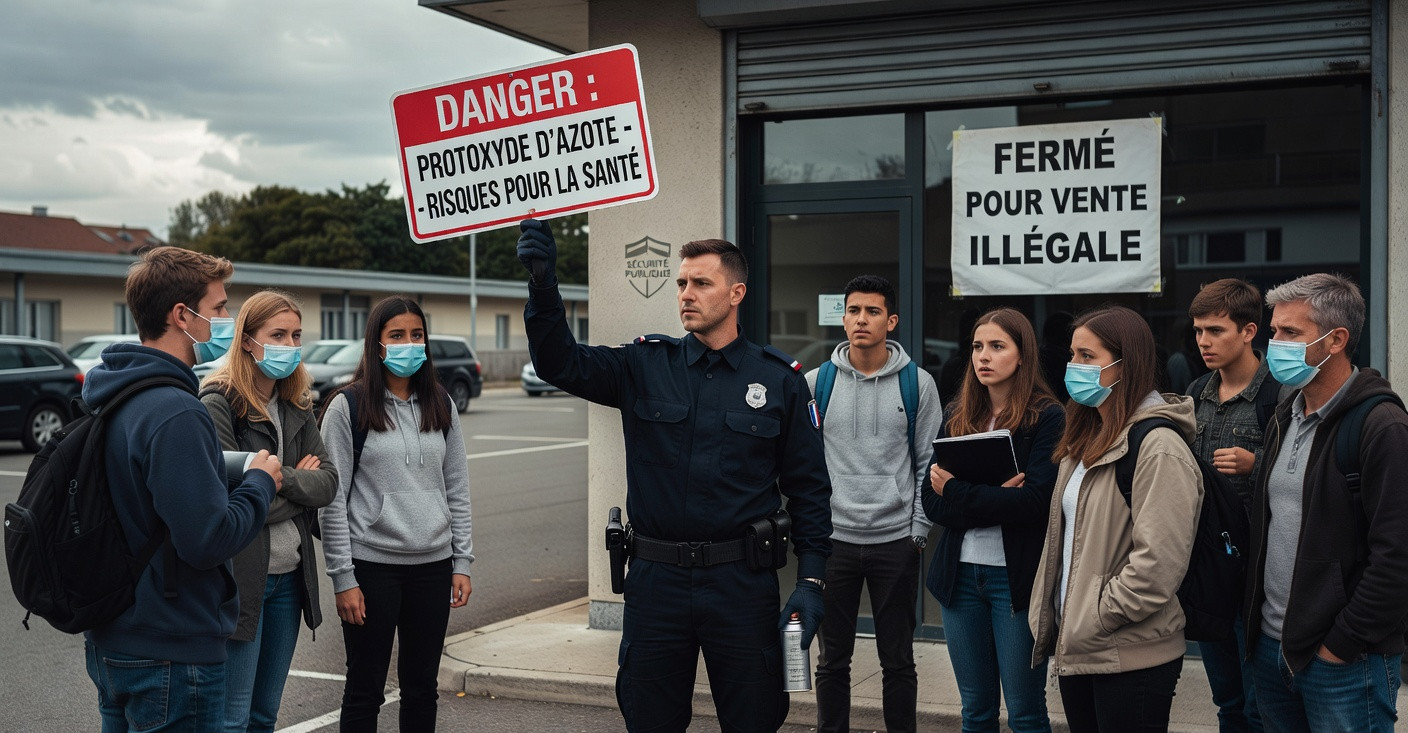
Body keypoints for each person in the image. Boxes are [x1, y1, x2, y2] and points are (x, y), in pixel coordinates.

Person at [517, 219, 832, 732]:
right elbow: (560, 364)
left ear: (736, 294)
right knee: (650, 719)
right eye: (681, 283)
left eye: (701, 283)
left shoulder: (779, 381)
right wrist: (543, 285)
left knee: (754, 718)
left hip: (741, 584)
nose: (686, 294)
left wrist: (812, 580)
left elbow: (810, 490)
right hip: (656, 583)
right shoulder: (644, 364)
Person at [83, 246, 282, 731]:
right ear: (181, 316)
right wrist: (259, 482)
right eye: (218, 308)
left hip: (113, 636)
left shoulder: (112, 392)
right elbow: (208, 539)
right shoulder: (176, 409)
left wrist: (222, 466)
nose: (227, 320)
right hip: (170, 652)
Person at [1244, 273, 1408, 732]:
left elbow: (1396, 555)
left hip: (1342, 662)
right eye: (1274, 331)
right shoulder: (1285, 414)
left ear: (1336, 340)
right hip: (1273, 650)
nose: (1274, 343)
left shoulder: (1382, 426)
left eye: (1290, 333)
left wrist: (1341, 643)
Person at [1028, 305, 1203, 733]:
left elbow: (1158, 564)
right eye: (1072, 356)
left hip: (1129, 652)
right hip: (1084, 646)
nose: (1074, 367)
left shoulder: (1158, 446)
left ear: (1127, 365)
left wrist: (1099, 615)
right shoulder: (1087, 436)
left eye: (1088, 357)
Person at [318, 296, 473, 732]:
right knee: (365, 687)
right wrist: (343, 578)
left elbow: (458, 489)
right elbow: (332, 501)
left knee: (422, 686)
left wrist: (462, 562)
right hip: (372, 569)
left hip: (434, 566)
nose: (410, 344)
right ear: (377, 344)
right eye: (397, 335)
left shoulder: (440, 403)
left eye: (417, 335)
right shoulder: (347, 407)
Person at [805, 275, 942, 733]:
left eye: (873, 311)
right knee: (832, 661)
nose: (862, 320)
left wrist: (917, 533)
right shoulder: (814, 383)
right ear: (843, 317)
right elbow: (802, 468)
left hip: (894, 543)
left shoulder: (917, 384)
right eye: (854, 311)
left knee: (898, 661)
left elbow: (927, 461)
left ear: (892, 320)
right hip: (834, 542)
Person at [199, 290, 337, 733]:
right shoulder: (218, 403)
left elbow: (329, 482)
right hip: (242, 581)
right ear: (247, 341)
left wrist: (277, 479)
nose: (289, 346)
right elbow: (226, 503)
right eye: (277, 335)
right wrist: (296, 481)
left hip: (291, 581)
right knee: (232, 718)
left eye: (296, 335)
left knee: (264, 715)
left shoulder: (298, 404)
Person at [923, 307, 1063, 733]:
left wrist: (960, 492)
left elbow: (1034, 504)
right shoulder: (958, 414)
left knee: (1024, 712)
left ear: (1022, 356)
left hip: (1014, 582)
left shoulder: (1047, 418)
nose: (983, 356)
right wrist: (996, 498)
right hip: (960, 579)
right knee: (976, 710)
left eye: (997, 346)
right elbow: (932, 502)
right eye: (978, 347)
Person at [1186, 279, 1272, 733]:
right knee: (1229, 703)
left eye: (1216, 331)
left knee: (1262, 705)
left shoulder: (1278, 394)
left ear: (1248, 331)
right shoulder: (1196, 391)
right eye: (1199, 331)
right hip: (1209, 567)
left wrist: (1256, 465)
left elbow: (1309, 480)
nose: (1204, 341)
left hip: (1258, 574)